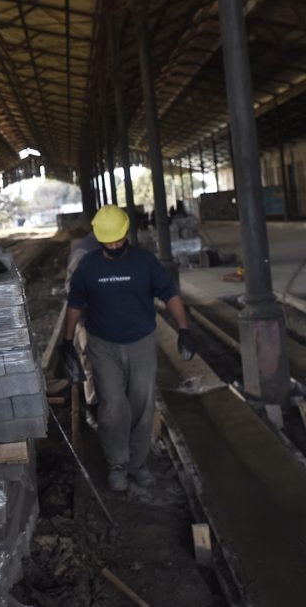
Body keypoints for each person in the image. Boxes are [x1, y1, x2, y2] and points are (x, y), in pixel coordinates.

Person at [61, 205, 196, 492]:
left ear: (126, 233)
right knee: (112, 406)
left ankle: (139, 464)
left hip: (141, 343)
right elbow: (74, 305)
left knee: (142, 406)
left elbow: (170, 295)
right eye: (108, 241)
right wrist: (66, 343)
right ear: (99, 238)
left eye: (118, 239)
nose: (113, 245)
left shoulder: (144, 262)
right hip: (103, 345)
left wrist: (184, 329)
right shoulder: (87, 265)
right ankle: (118, 464)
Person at [64, 229, 101, 430]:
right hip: (90, 319)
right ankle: (92, 408)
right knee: (90, 363)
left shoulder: (113, 247)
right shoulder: (84, 253)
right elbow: (73, 290)